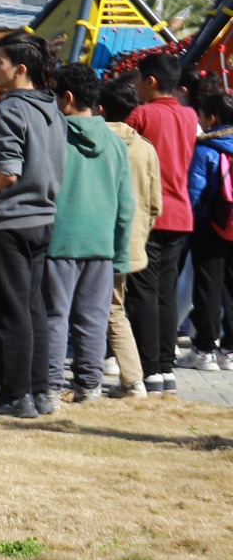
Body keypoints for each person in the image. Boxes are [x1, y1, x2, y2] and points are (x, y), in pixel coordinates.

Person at [0, 33, 65, 416]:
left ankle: (16, 395)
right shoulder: (52, 107)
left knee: (9, 311)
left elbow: (7, 172)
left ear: (20, 69)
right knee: (32, 307)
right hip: (43, 217)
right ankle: (39, 392)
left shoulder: (10, 108)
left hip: (10, 220)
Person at [43, 64, 134, 405]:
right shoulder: (115, 143)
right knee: (94, 319)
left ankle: (51, 385)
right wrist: (121, 254)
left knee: (54, 317)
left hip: (58, 241)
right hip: (102, 245)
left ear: (66, 97)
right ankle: (89, 385)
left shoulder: (53, 137)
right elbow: (126, 206)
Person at [127, 52, 201, 392]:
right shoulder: (189, 115)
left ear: (151, 81)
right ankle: (165, 367)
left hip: (148, 213)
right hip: (181, 213)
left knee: (143, 290)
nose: (135, 85)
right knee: (166, 291)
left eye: (137, 78)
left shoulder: (141, 115)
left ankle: (150, 368)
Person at [96, 82, 161, 397]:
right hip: (129, 239)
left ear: (100, 108)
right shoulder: (145, 147)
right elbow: (155, 203)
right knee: (114, 308)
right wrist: (140, 233)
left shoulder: (89, 141)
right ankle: (133, 379)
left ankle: (109, 378)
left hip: (88, 238)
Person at [189, 92, 233, 369]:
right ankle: (230, 350)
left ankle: (205, 349)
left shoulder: (206, 149)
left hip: (210, 225)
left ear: (212, 118)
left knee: (208, 285)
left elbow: (195, 191)